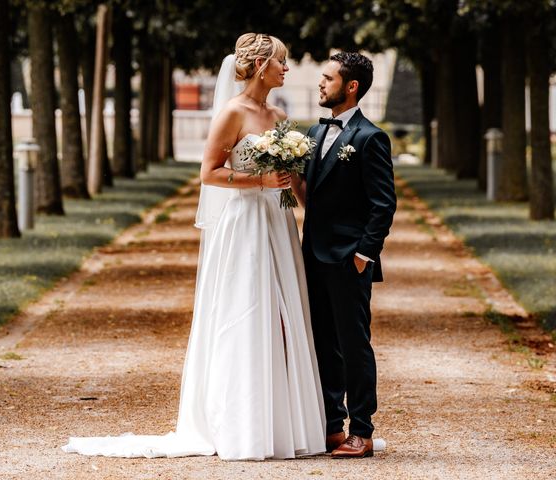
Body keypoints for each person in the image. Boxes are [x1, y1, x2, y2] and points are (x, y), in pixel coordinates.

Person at [62, 33, 326, 461]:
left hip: (277, 224)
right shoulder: (232, 114)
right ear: (261, 66)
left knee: (283, 313)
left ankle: (283, 424)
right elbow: (209, 173)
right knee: (247, 310)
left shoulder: (279, 115)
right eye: (282, 62)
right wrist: (259, 182)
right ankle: (242, 425)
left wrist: (314, 213)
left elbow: (292, 178)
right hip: (245, 225)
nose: (287, 68)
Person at [294, 52, 396, 458]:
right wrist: (293, 184)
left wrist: (363, 255)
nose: (321, 84)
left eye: (328, 78)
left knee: (354, 344)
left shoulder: (371, 138)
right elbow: (312, 201)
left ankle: (363, 431)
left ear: (350, 87)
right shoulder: (314, 134)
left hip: (348, 258)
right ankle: (332, 425)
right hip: (314, 256)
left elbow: (382, 205)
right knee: (322, 342)